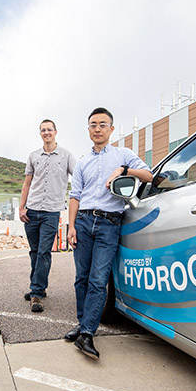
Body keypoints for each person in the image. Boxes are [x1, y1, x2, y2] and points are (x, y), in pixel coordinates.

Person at [66, 107, 152, 359]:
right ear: (88, 129)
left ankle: (88, 334)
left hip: (109, 224)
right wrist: (71, 226)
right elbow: (75, 197)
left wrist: (124, 171)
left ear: (111, 129)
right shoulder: (82, 162)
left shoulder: (123, 154)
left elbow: (148, 175)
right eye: (93, 124)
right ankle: (83, 325)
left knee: (98, 280)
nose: (97, 128)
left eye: (103, 124)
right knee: (81, 278)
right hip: (82, 221)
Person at [18, 120, 76, 313]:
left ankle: (36, 293)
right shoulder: (33, 156)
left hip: (51, 212)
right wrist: (21, 208)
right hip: (32, 210)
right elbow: (27, 184)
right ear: (40, 134)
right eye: (43, 130)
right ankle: (38, 286)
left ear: (55, 132)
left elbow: (78, 178)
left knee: (44, 252)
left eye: (49, 129)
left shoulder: (66, 155)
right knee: (35, 252)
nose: (46, 132)